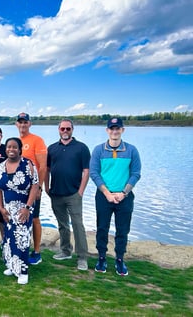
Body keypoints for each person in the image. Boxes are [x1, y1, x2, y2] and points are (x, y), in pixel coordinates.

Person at [90, 117, 141, 276]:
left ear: (122, 130)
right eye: (112, 128)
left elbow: (135, 174)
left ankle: (119, 259)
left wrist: (123, 193)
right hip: (104, 196)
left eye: (117, 128)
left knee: (122, 230)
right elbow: (94, 173)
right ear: (107, 131)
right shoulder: (99, 150)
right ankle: (102, 257)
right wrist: (106, 193)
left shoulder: (131, 150)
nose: (114, 131)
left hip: (124, 197)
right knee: (102, 228)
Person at [46, 119, 91, 271]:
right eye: (62, 129)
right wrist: (46, 187)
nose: (65, 131)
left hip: (74, 194)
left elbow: (86, 171)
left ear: (72, 130)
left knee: (78, 225)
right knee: (63, 224)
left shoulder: (81, 148)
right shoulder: (52, 148)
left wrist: (80, 192)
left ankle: (82, 257)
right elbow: (46, 170)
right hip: (56, 193)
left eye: (68, 129)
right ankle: (65, 250)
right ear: (58, 130)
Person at [0, 137, 39, 285]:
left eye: (15, 147)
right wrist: (1, 208)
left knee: (22, 240)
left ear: (20, 149)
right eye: (9, 147)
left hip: (23, 209)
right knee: (9, 239)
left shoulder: (28, 164)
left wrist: (27, 207)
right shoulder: (1, 166)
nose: (11, 150)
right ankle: (12, 266)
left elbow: (35, 186)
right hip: (7, 210)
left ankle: (23, 271)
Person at [16, 112, 47, 265]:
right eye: (20, 122)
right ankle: (21, 248)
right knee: (21, 218)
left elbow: (42, 167)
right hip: (18, 189)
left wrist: (39, 187)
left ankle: (37, 251)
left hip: (32, 189)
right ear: (16, 124)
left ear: (30, 124)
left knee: (34, 218)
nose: (23, 125)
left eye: (25, 122)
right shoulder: (16, 141)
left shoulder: (37, 140)